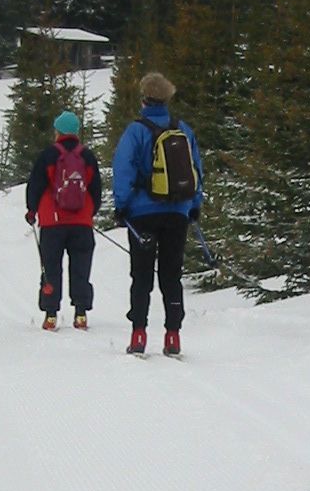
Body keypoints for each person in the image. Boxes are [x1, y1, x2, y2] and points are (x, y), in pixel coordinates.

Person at [111, 72, 204, 356]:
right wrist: (193, 204)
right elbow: (196, 169)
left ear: (144, 99)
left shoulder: (136, 131)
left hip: (142, 213)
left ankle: (139, 334)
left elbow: (123, 168)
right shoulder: (183, 129)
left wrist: (121, 205)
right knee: (171, 275)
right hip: (177, 212)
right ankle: (173, 336)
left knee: (141, 276)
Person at [24, 110, 103, 330]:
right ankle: (81, 314)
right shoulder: (87, 156)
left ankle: (51, 315)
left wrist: (32, 210)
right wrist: (89, 212)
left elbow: (36, 185)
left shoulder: (48, 155)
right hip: (81, 223)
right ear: (76, 132)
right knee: (80, 268)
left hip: (52, 222)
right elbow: (96, 190)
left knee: (51, 268)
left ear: (57, 131)